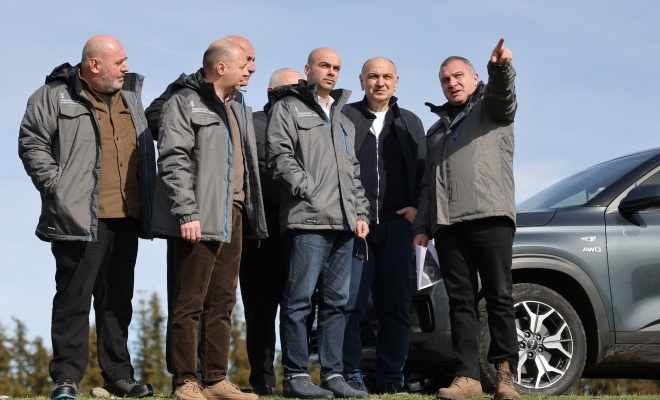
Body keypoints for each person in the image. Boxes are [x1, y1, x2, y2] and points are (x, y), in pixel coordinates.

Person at [18, 35, 156, 400]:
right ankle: (66, 378)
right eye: (119, 62)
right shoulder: (53, 95)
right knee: (73, 300)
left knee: (117, 303)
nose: (126, 67)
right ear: (94, 64)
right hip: (78, 217)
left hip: (126, 217)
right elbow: (32, 141)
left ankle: (119, 377)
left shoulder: (131, 97)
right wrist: (57, 187)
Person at [144, 35, 264, 389]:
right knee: (189, 302)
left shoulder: (239, 108)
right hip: (199, 215)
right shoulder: (184, 101)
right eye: (244, 65)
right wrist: (186, 212)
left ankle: (215, 380)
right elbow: (173, 159)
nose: (250, 70)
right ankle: (186, 380)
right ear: (221, 67)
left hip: (234, 214)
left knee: (223, 302)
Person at [412, 38, 519, 400]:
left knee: (499, 297)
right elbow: (428, 185)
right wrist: (422, 227)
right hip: (448, 226)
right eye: (445, 80)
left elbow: (504, 94)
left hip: (490, 216)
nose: (452, 83)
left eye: (458, 76)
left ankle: (505, 376)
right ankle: (467, 376)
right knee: (460, 302)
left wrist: (500, 68)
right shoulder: (435, 131)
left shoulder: (491, 108)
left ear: (474, 77)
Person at [266, 47, 370, 399]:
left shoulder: (343, 119)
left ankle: (333, 375)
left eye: (336, 67)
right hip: (307, 220)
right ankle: (296, 376)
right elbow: (279, 155)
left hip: (344, 225)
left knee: (336, 304)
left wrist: (360, 213)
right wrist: (308, 189)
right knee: (298, 302)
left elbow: (353, 172)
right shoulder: (287, 107)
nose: (331, 72)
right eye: (324, 65)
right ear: (308, 69)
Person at [340, 57, 426, 394]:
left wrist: (416, 207)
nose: (380, 82)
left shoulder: (409, 121)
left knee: (396, 308)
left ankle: (391, 379)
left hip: (397, 228)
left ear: (396, 81)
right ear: (361, 81)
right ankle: (349, 376)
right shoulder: (345, 116)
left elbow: (424, 168)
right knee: (350, 306)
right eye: (373, 76)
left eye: (387, 76)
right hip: (355, 228)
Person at [238, 67, 303, 397]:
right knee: (260, 310)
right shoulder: (250, 124)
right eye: (290, 89)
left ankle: (300, 376)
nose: (296, 95)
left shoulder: (309, 126)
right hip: (259, 233)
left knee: (301, 307)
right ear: (270, 92)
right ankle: (262, 380)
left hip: (302, 231)